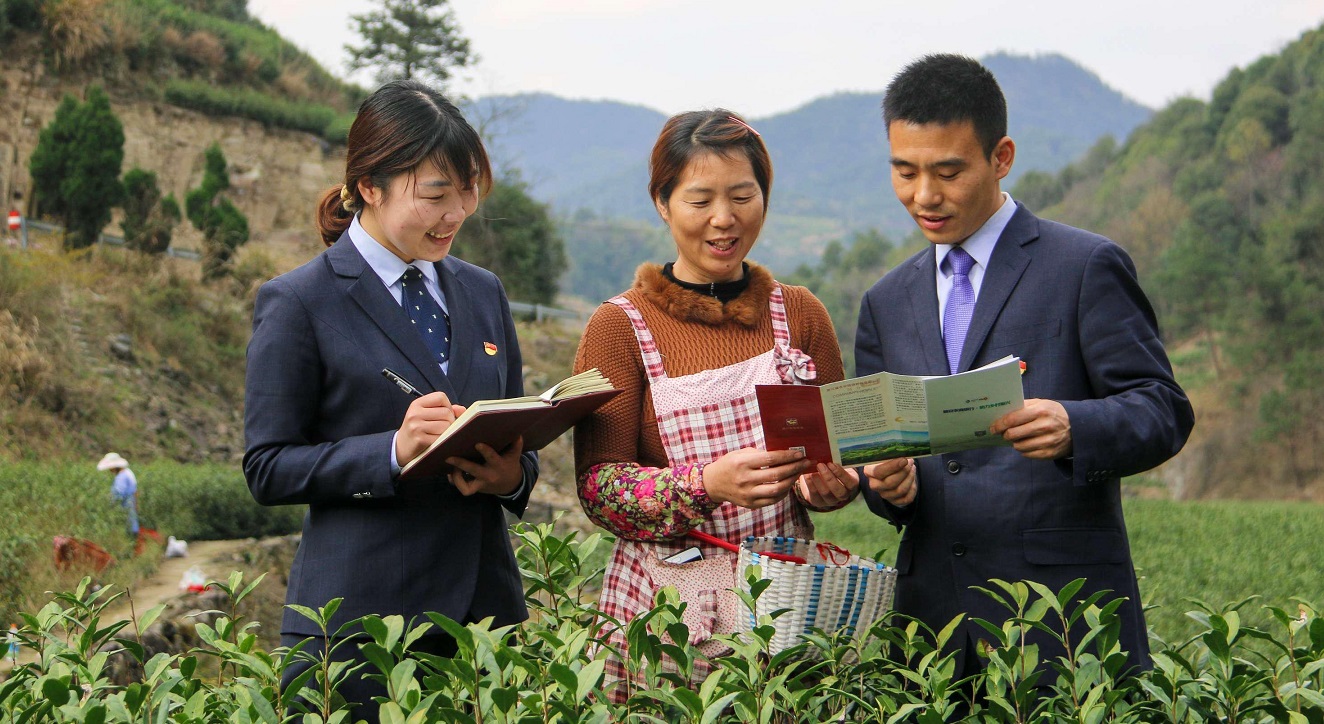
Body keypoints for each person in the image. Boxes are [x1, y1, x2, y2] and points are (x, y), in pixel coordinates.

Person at [856, 54, 1194, 681]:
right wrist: (887, 488)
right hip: (933, 633)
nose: (923, 195)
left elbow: (1162, 407)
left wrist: (1075, 425)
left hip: (1063, 622)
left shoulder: (1084, 266)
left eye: (948, 171)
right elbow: (889, 470)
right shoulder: (885, 302)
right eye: (904, 172)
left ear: (1001, 156)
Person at [243, 79, 538, 721]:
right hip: (358, 633)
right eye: (435, 194)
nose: (456, 212)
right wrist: (391, 452)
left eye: (468, 192)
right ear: (370, 186)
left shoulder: (483, 291)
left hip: (484, 620)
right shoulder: (299, 302)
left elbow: (515, 435)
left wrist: (512, 474)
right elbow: (267, 465)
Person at [573, 110, 859, 695]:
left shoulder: (801, 315)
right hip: (666, 622)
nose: (724, 220)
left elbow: (836, 454)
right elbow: (598, 489)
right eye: (700, 200)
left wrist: (833, 483)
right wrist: (705, 485)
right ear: (662, 202)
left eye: (742, 196)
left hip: (787, 611)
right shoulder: (619, 327)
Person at [97, 452, 138, 537]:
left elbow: (118, 495)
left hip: (125, 511)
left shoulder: (121, 477)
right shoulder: (128, 472)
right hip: (130, 511)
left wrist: (107, 502)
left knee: (128, 536)